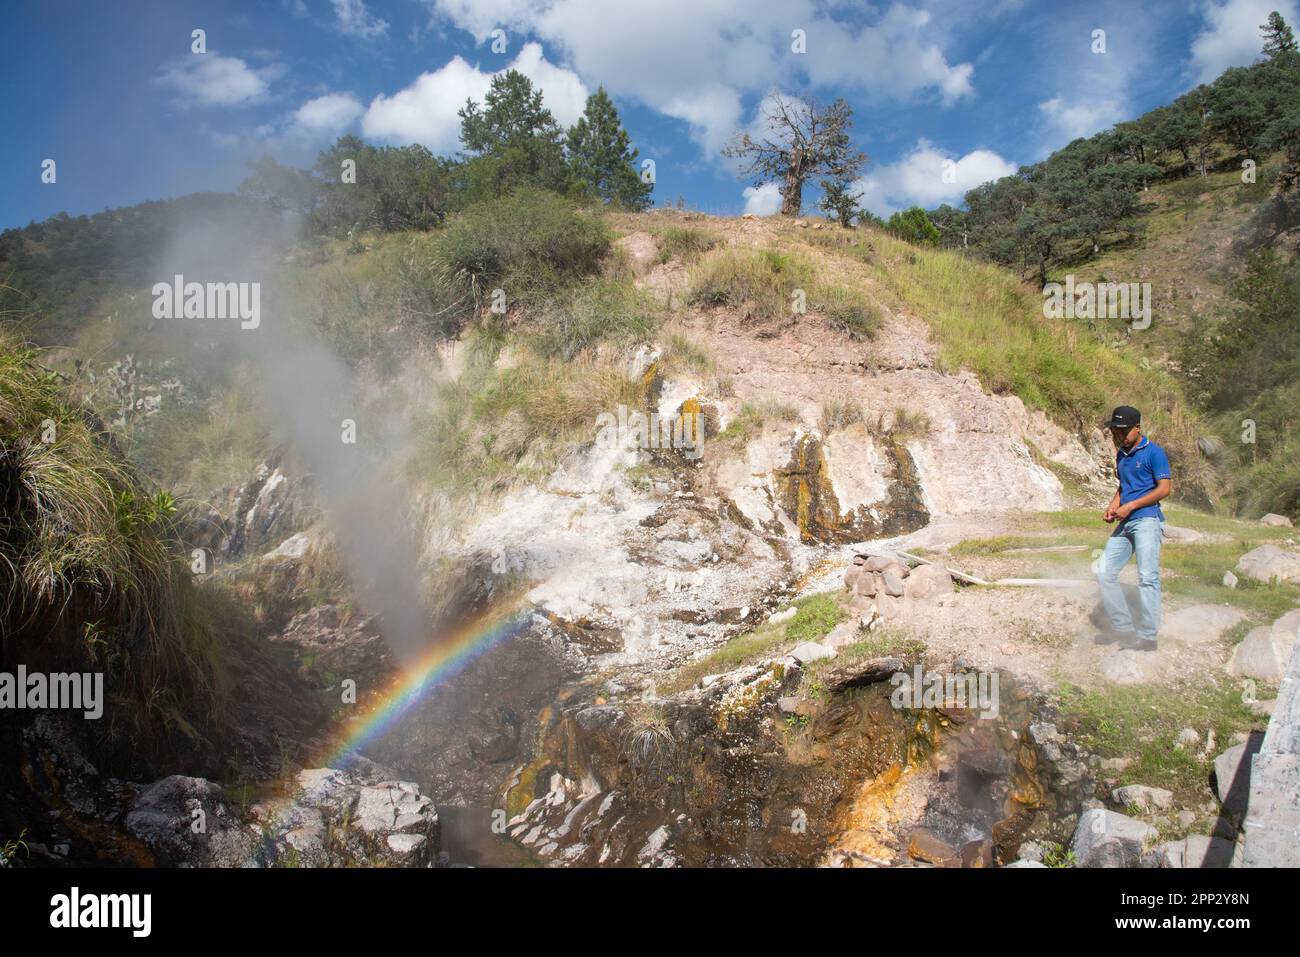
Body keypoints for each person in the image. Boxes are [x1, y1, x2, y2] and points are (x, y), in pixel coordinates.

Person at [1096, 406, 1172, 651]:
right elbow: (1123, 487)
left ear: (1137, 428)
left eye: (1123, 431)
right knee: (1104, 572)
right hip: (1126, 521)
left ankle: (1148, 636)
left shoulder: (1154, 453)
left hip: (1147, 520)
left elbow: (1164, 489)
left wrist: (1131, 506)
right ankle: (1123, 629)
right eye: (1116, 431)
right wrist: (1113, 506)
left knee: (1148, 577)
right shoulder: (1122, 454)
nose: (1119, 435)